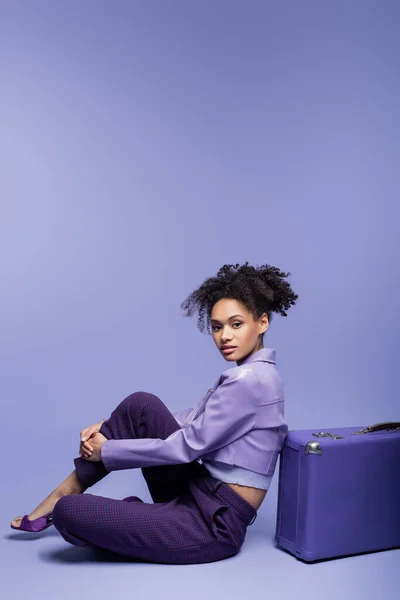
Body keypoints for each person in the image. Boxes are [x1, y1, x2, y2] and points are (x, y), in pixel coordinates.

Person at [10, 261, 298, 564]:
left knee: (68, 512)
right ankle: (83, 495)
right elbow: (193, 420)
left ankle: (125, 517)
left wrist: (108, 451)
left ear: (262, 323)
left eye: (236, 324)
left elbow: (187, 446)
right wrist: (110, 426)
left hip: (213, 524)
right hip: (199, 490)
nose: (225, 336)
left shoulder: (251, 381)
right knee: (141, 405)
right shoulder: (254, 376)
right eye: (217, 327)